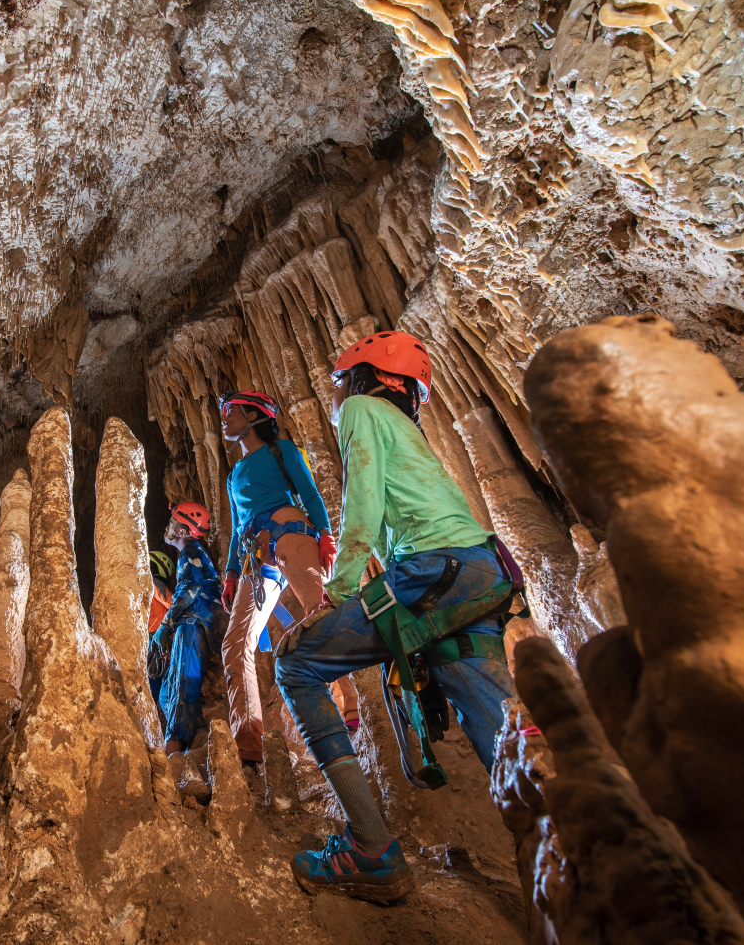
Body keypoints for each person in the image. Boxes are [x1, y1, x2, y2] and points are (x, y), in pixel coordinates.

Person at [275, 331, 519, 903]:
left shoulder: (363, 410)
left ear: (373, 378)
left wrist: (337, 592)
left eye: (342, 381)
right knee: (504, 730)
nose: (337, 394)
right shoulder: (406, 429)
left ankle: (370, 848)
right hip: (482, 573)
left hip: (436, 570)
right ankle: (574, 849)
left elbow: (361, 504)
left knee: (295, 663)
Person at [217, 389, 337, 770]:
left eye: (231, 411)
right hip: (256, 555)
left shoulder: (280, 450)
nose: (224, 418)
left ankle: (349, 704)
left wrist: (325, 534)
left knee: (320, 612)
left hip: (290, 533)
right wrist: (231, 573)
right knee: (235, 644)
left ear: (253, 416)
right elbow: (236, 529)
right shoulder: (233, 475)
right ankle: (248, 746)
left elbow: (310, 494)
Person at [148, 503, 222, 756]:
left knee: (181, 684)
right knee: (166, 695)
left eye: (172, 522)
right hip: (189, 622)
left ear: (182, 530)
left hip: (195, 622)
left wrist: (165, 626)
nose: (167, 526)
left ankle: (174, 751)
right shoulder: (189, 553)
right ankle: (199, 736)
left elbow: (190, 589)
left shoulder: (191, 550)